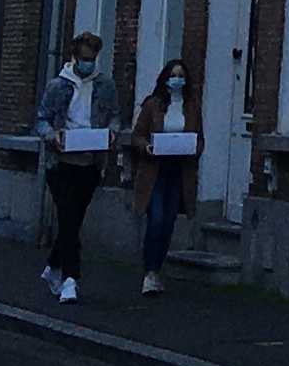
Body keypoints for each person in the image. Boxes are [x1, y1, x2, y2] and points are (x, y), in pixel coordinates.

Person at [35, 25, 123, 302]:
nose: (88, 63)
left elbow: (115, 116)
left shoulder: (105, 86)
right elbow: (41, 120)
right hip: (61, 163)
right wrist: (53, 136)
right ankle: (71, 279)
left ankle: (53, 266)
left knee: (72, 222)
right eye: (84, 58)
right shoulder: (57, 86)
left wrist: (112, 133)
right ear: (75, 57)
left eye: (92, 59)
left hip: (89, 163)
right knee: (68, 217)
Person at [132, 55, 201, 297]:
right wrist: (147, 147)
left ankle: (157, 269)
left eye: (181, 76)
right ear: (165, 79)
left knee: (169, 221)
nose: (177, 80)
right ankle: (149, 272)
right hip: (155, 169)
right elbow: (137, 135)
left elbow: (200, 138)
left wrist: (193, 148)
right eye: (173, 76)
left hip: (179, 169)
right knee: (157, 218)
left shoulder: (192, 106)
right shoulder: (153, 105)